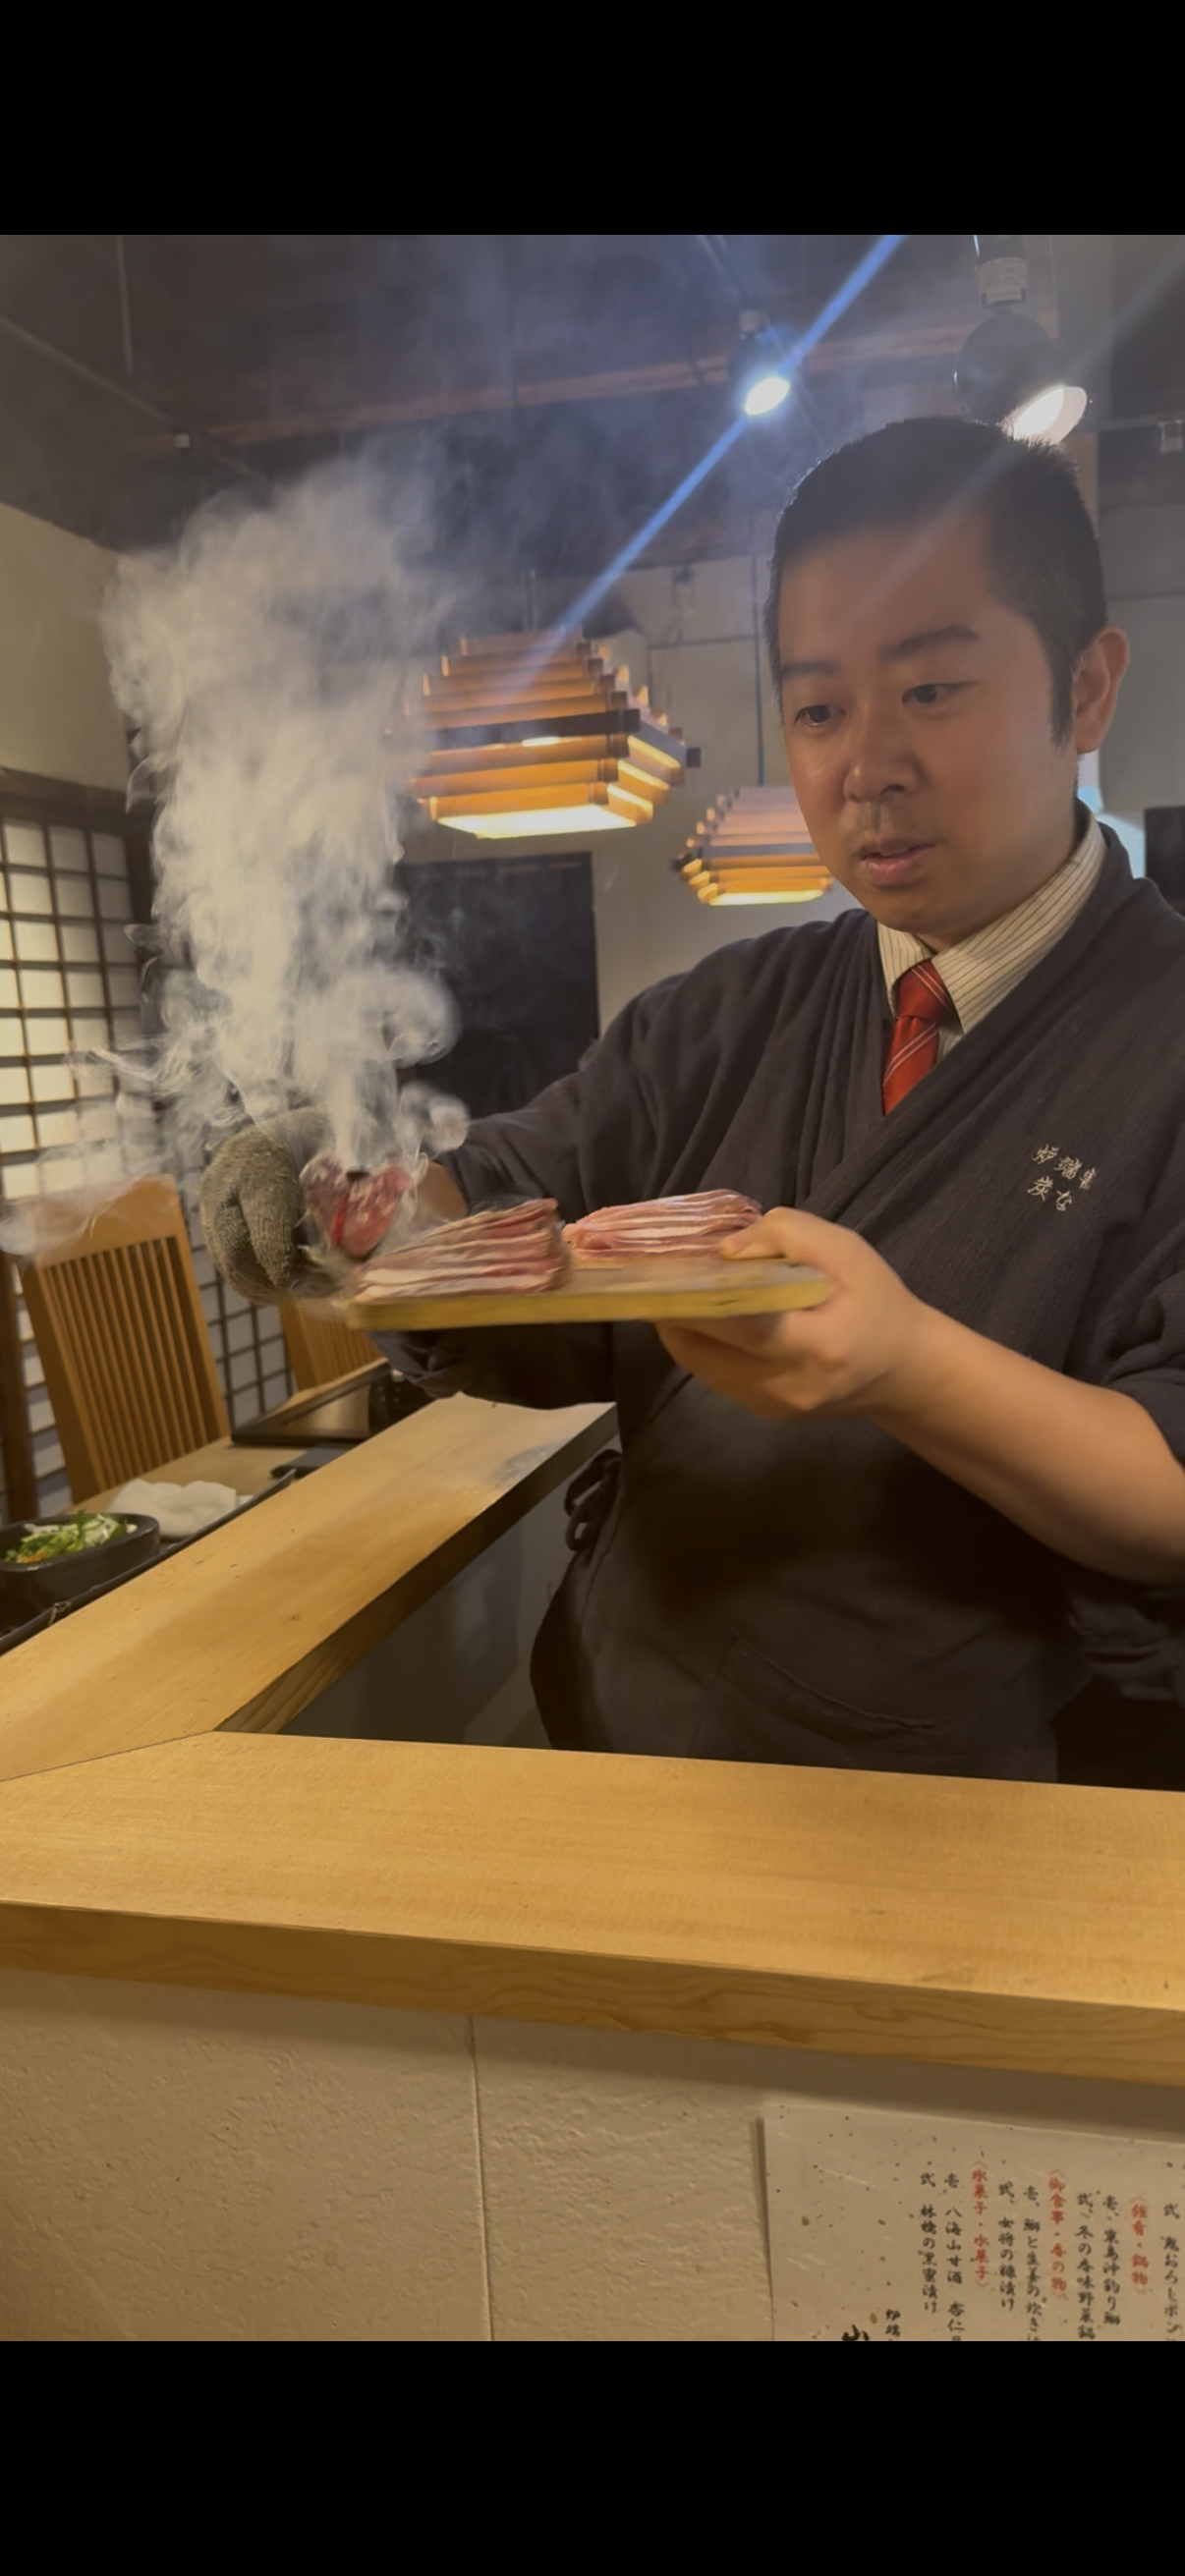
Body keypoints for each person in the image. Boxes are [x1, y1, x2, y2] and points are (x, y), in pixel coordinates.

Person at [202, 417, 1185, 1783]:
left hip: (968, 1814)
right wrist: (367, 1200)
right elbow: (510, 1196)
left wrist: (905, 1363)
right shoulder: (729, 1011)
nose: (865, 766)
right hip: (617, 1746)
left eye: (931, 690)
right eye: (819, 710)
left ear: (1084, 690)